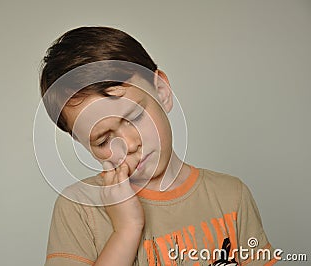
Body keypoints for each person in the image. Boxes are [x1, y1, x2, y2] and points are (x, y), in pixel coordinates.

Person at [39, 26, 277, 266]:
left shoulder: (231, 195)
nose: (130, 144)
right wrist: (126, 230)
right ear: (81, 143)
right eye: (103, 140)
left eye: (135, 116)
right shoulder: (79, 208)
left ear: (162, 91)